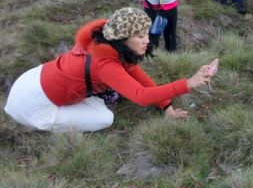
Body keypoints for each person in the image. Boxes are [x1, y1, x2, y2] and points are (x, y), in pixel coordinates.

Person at [4, 7, 218, 132]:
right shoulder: (105, 63)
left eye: (146, 33)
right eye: (140, 36)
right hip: (31, 104)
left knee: (115, 89)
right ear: (123, 39)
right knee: (105, 118)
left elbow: (137, 75)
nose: (147, 41)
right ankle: (49, 121)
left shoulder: (109, 42)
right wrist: (188, 84)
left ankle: (100, 94)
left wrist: (166, 107)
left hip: (33, 78)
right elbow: (142, 96)